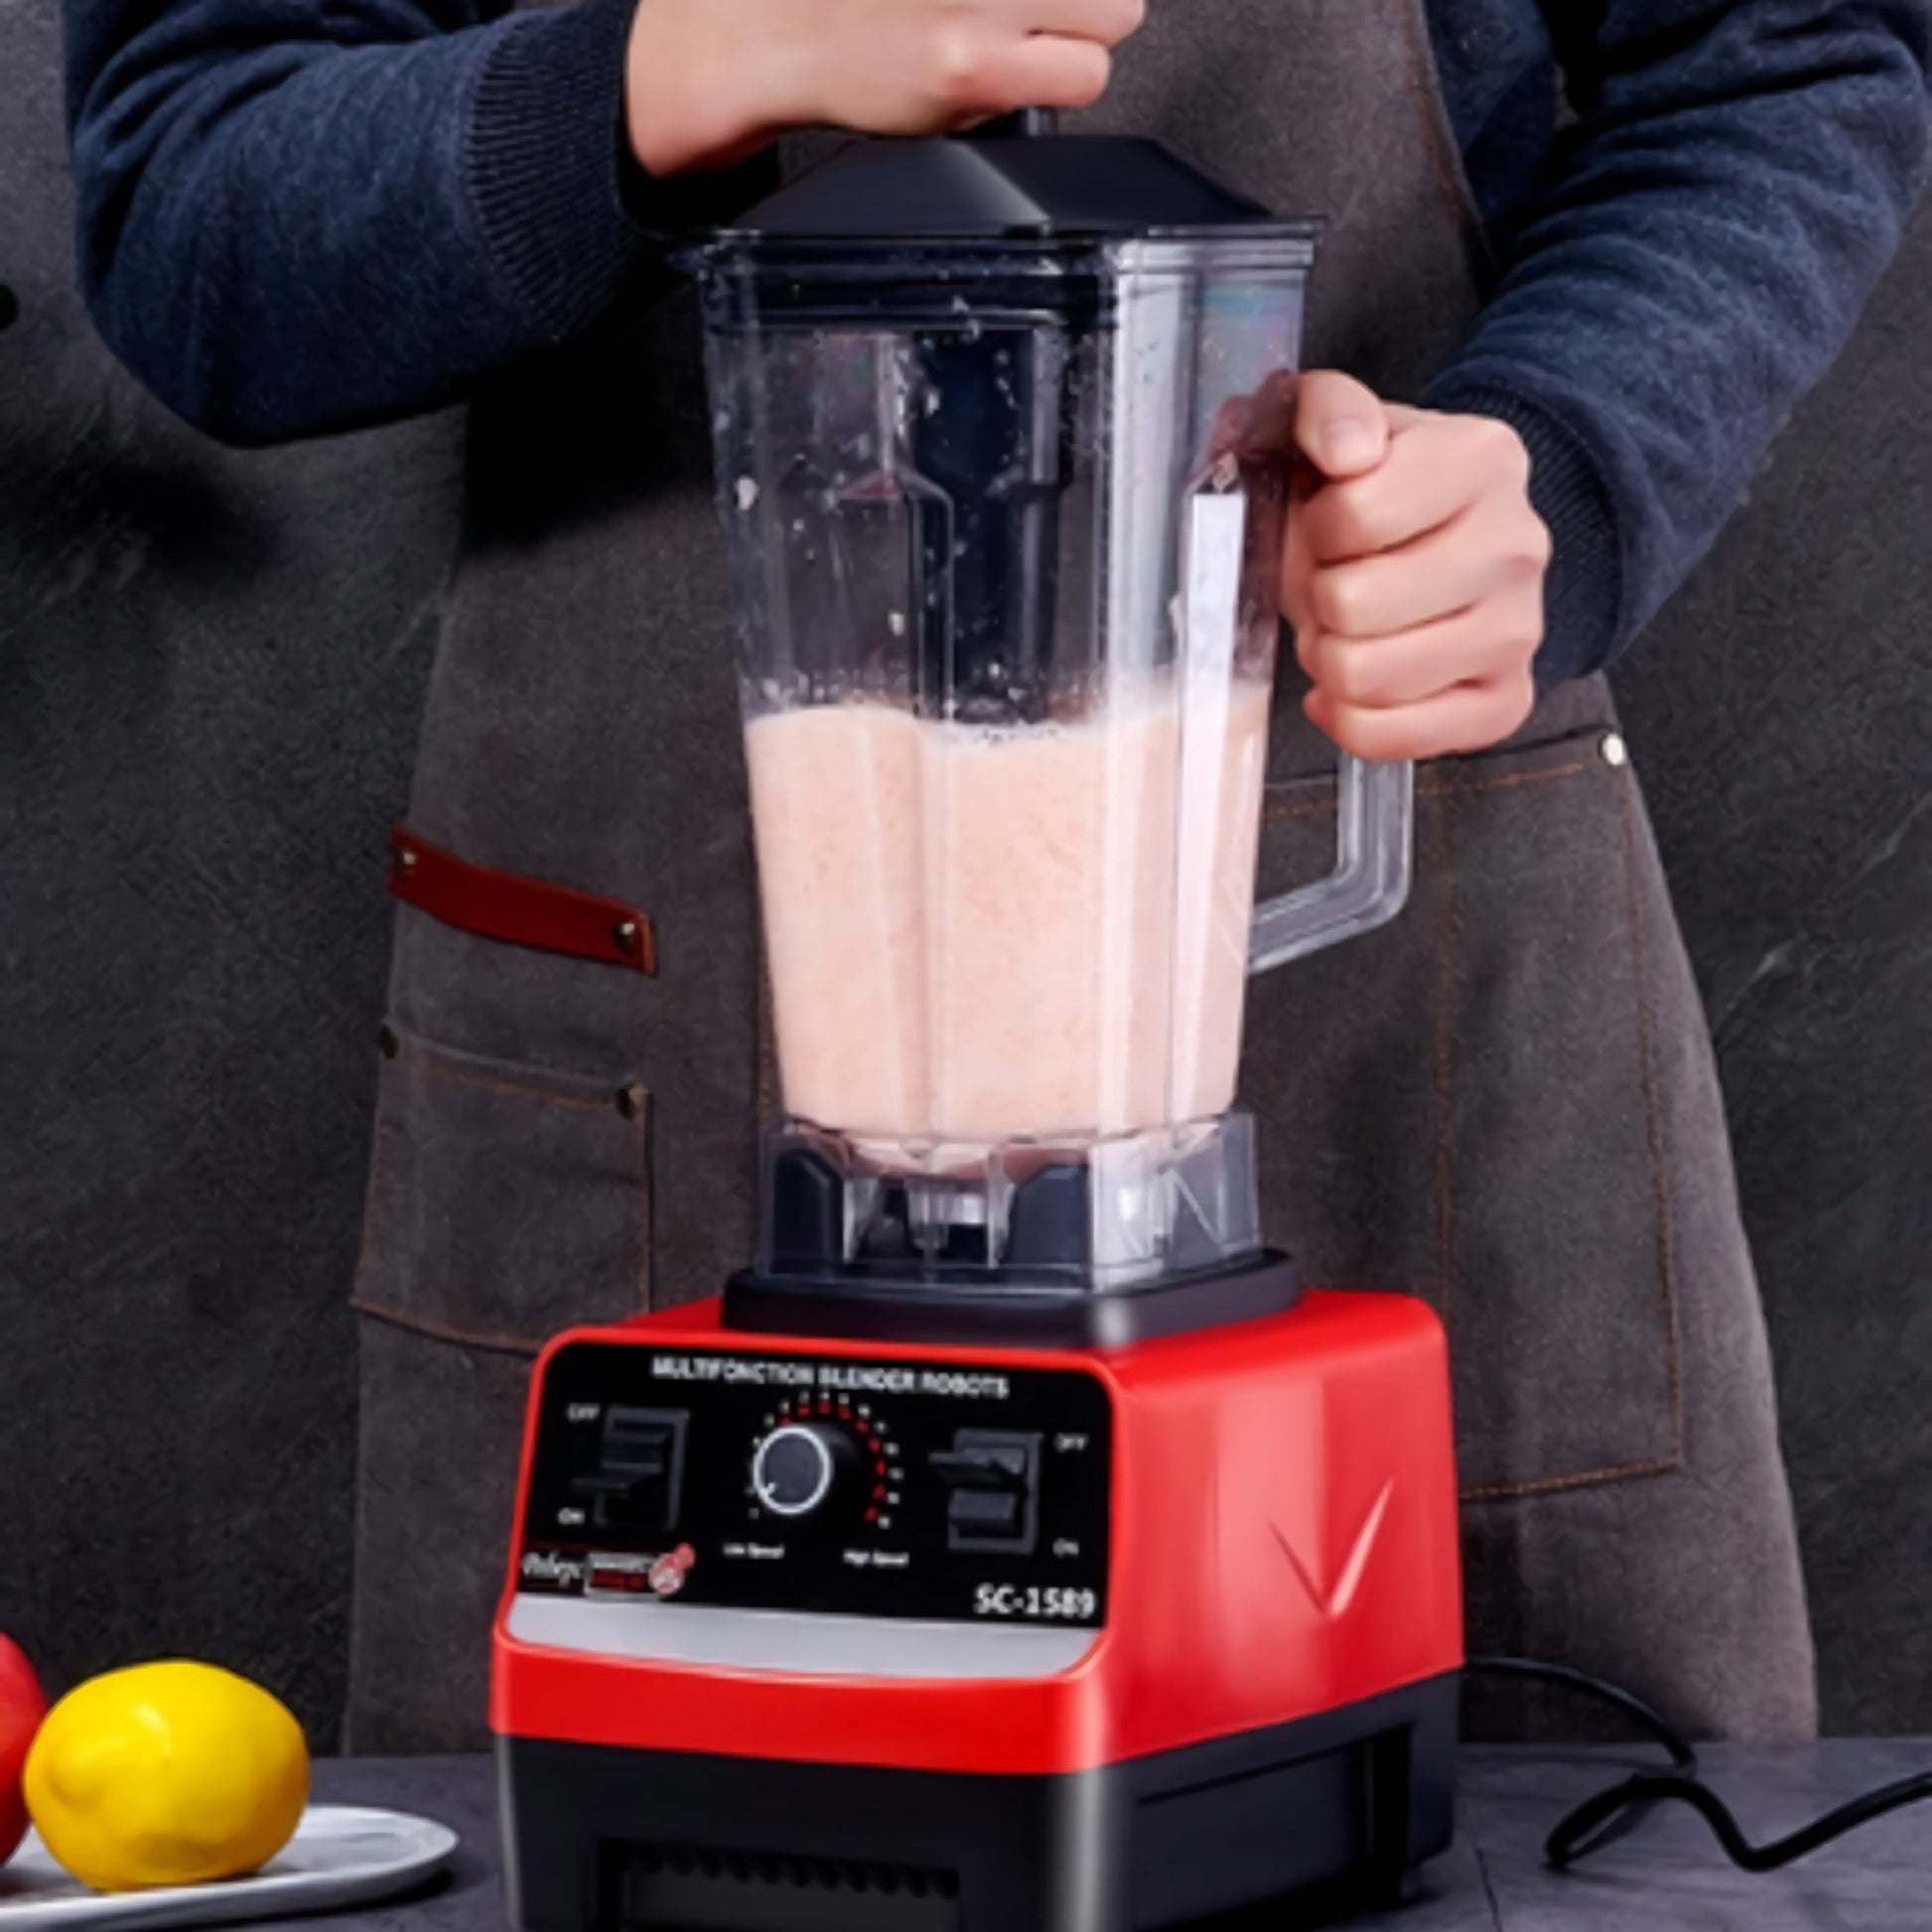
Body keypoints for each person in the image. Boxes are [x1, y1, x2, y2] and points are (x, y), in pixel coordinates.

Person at [62, 0, 1929, 1749]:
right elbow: (197, 199)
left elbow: (1780, 58)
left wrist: (1568, 455)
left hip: (1397, 1020)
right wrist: (676, 61)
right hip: (663, 1025)